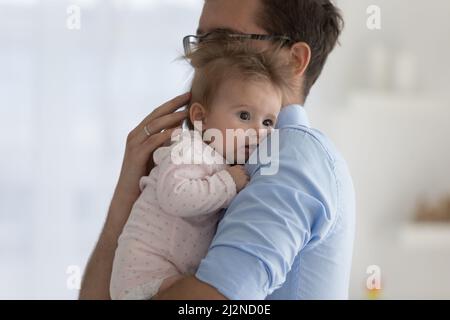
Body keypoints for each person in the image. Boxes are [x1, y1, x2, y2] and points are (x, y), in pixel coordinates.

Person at [80, 0, 355, 300]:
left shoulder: (291, 155)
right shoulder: (219, 158)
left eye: (225, 40)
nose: (202, 61)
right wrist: (126, 201)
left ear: (294, 60)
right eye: (201, 40)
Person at [109, 39, 293, 300]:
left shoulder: (222, 160)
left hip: (171, 275)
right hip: (146, 275)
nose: (259, 132)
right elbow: (175, 196)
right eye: (243, 116)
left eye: (267, 122)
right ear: (200, 118)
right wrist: (228, 183)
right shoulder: (187, 149)